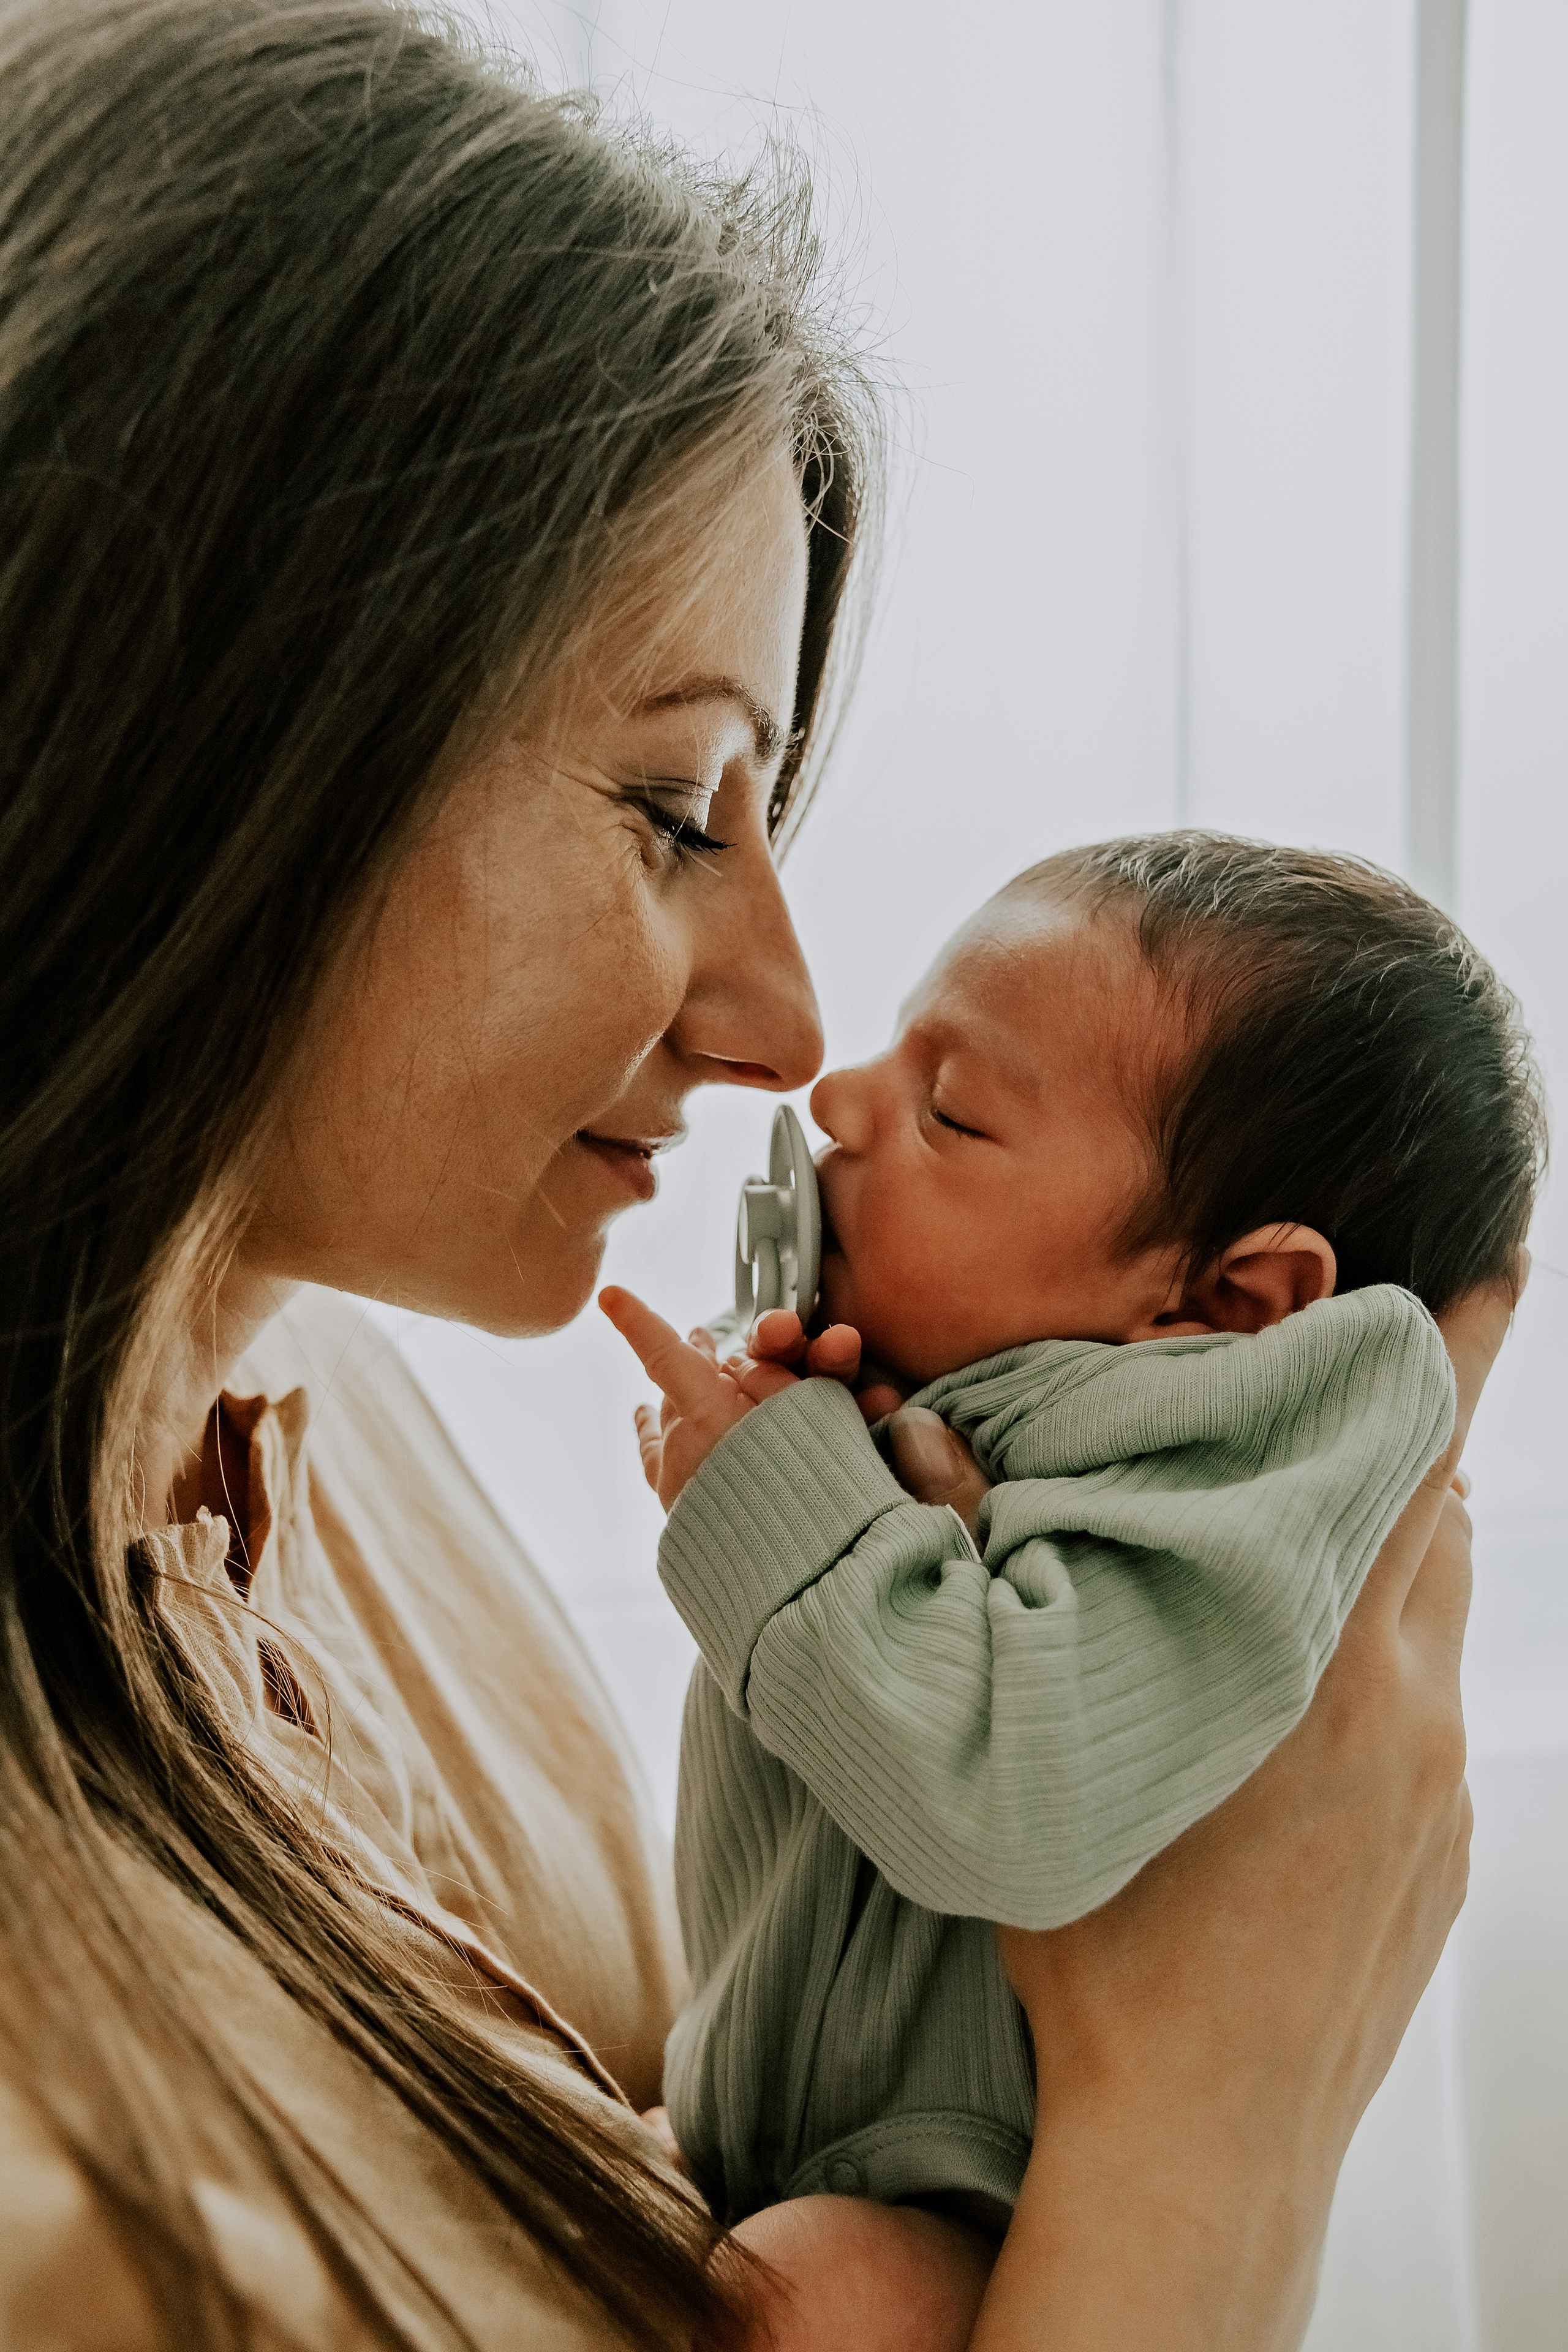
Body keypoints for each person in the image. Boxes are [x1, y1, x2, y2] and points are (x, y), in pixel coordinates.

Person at [0, 2, 1504, 2346]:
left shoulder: (321, 1429)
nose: (795, 1037)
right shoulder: (70, 2217)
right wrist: (1213, 2134)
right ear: (221, 730)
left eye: (764, 817)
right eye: (672, 807)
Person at [604, 833, 1543, 2234]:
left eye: (953, 1116)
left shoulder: (1233, 1485)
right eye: (892, 1053)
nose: (838, 1101)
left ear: (1232, 1303)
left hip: (948, 2203)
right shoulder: (992, 1386)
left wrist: (783, 1504)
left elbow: (1012, 1796)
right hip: (776, 2119)